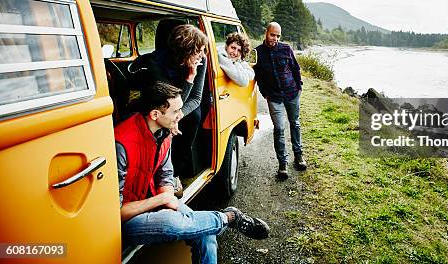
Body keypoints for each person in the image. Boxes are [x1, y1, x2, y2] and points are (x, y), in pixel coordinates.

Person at [116, 82, 270, 264]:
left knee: (207, 235)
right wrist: (161, 201)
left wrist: (168, 200)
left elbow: (165, 174)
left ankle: (222, 220)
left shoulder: (163, 133)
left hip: (152, 201)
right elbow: (115, 212)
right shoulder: (121, 144)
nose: (181, 115)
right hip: (125, 220)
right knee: (171, 224)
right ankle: (228, 218)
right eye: (175, 111)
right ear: (155, 114)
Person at [131, 22, 208, 179]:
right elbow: (167, 101)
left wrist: (177, 117)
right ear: (185, 52)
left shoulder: (201, 60)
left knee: (194, 116)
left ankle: (176, 175)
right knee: (158, 124)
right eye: (198, 51)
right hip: (160, 103)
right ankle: (150, 173)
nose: (202, 54)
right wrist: (189, 78)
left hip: (181, 105)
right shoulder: (157, 63)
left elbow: (196, 98)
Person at [254, 22, 306, 180]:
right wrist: (265, 93)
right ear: (266, 32)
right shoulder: (258, 52)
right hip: (274, 97)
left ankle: (298, 156)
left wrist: (299, 87)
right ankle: (282, 164)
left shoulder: (286, 48)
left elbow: (295, 68)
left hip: (292, 93)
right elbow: (258, 76)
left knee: (294, 123)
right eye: (272, 35)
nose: (275, 38)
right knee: (279, 128)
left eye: (277, 36)